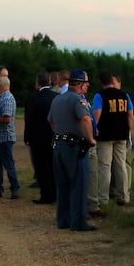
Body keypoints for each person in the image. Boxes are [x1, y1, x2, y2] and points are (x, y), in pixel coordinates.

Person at [47, 69, 97, 232]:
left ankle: (63, 220)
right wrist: (90, 139)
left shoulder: (57, 99)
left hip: (58, 145)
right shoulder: (78, 100)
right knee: (78, 184)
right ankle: (78, 222)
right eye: (86, 83)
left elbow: (51, 121)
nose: (88, 86)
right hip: (74, 146)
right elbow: (85, 118)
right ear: (81, 85)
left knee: (62, 185)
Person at [90, 72, 134, 216]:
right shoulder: (125, 95)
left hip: (105, 136)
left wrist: (93, 131)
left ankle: (103, 197)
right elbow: (130, 115)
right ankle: (124, 195)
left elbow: (96, 115)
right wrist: (127, 130)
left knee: (105, 166)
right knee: (121, 164)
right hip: (122, 134)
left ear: (102, 83)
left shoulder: (100, 96)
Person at [24, 72, 58, 204]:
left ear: (37, 83)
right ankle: (55, 193)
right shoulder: (56, 97)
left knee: (41, 167)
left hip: (38, 138)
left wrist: (27, 137)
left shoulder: (34, 98)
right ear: (50, 82)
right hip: (54, 136)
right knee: (52, 165)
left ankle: (46, 195)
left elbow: (29, 119)